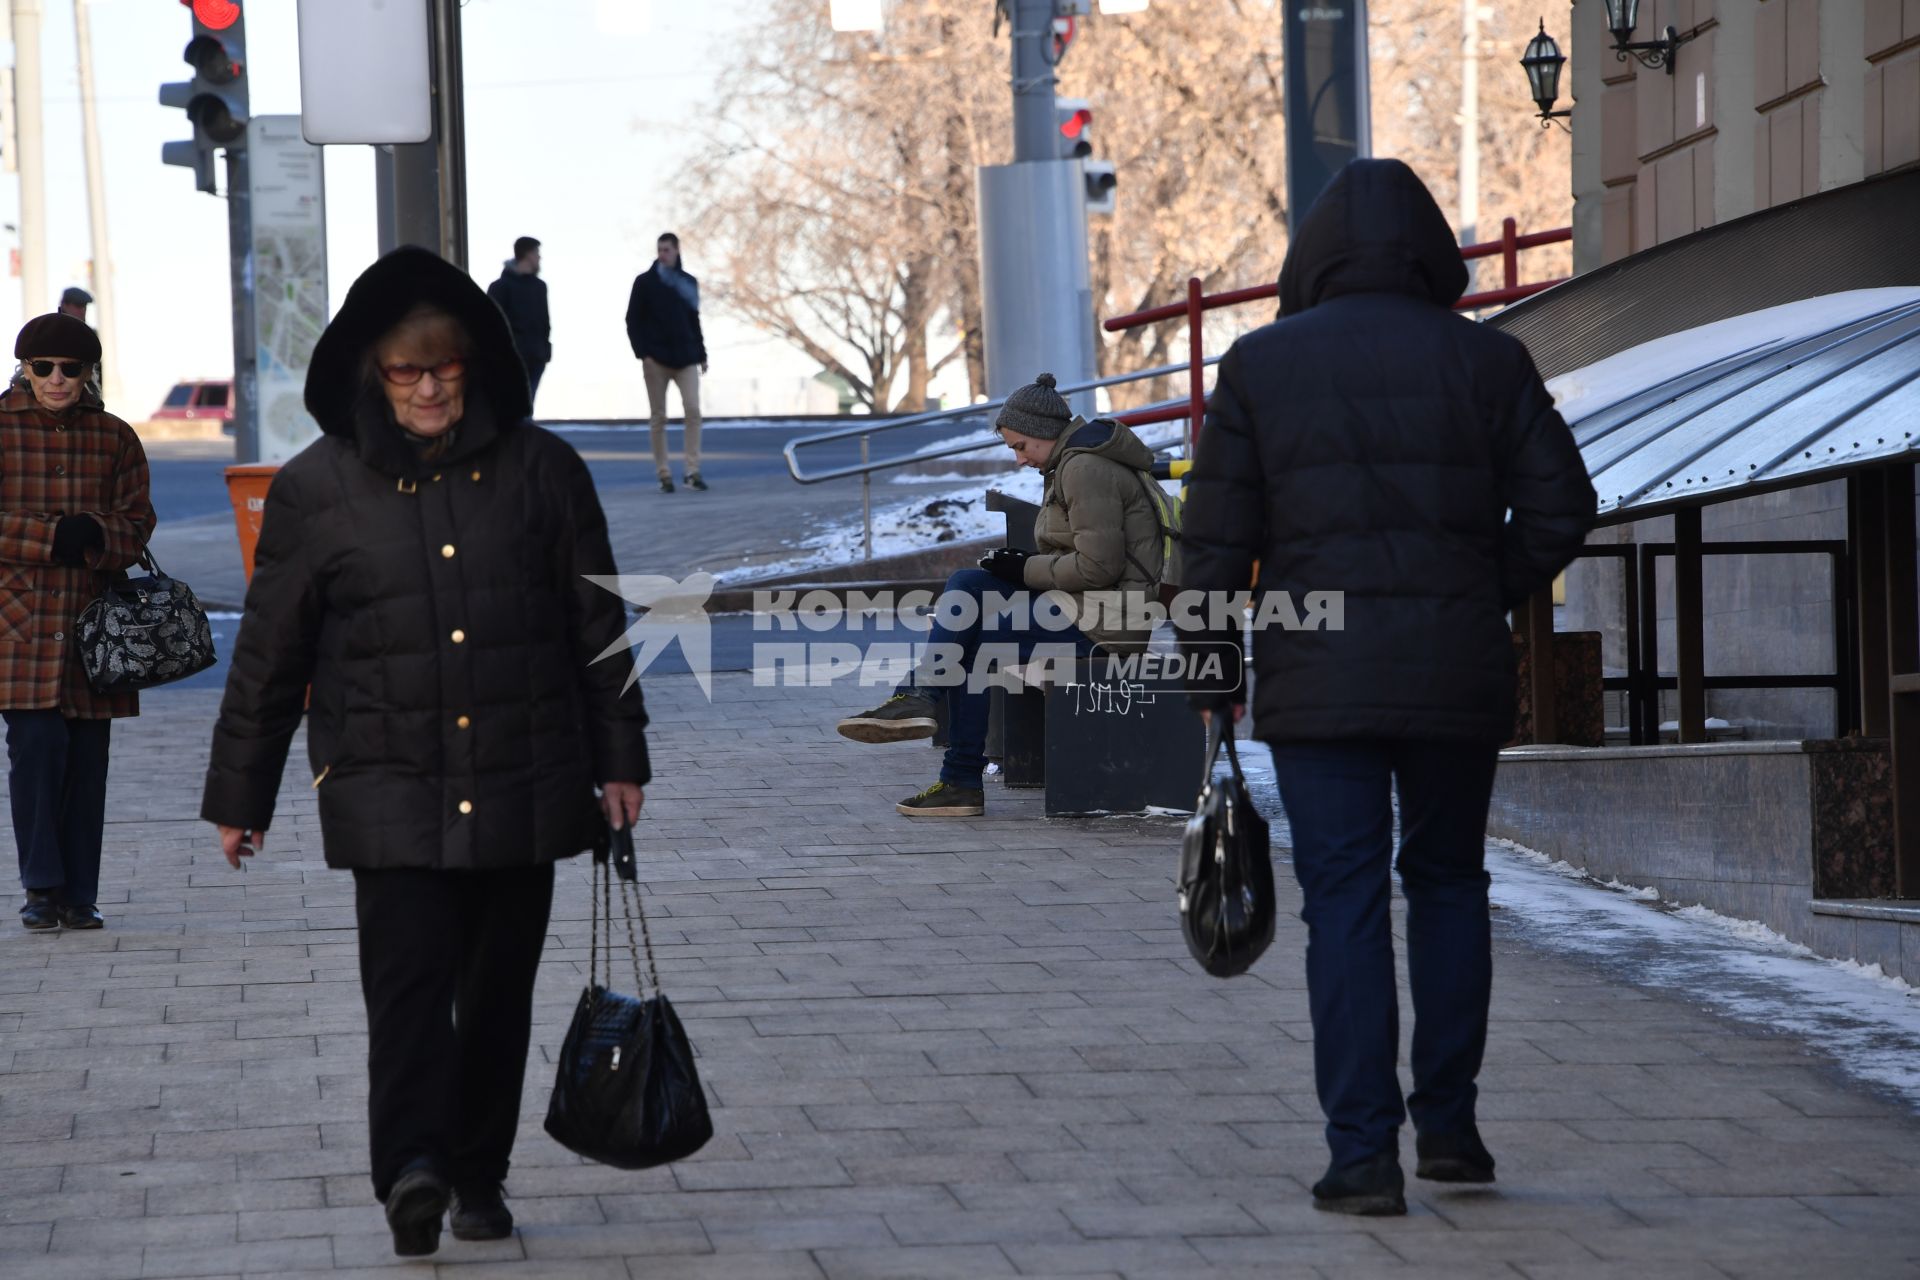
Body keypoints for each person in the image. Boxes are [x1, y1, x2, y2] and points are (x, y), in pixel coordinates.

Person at [201, 247, 651, 1257]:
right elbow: (271, 653)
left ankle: (479, 1174)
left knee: (496, 995)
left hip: (522, 776)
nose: (430, 384)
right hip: (385, 784)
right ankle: (413, 1167)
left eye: (444, 364)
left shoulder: (545, 473)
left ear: (477, 366)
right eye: (407, 370)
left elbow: (602, 631)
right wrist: (243, 794)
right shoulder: (318, 490)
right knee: (406, 992)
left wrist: (621, 761)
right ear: (372, 373)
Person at [1179, 159, 1596, 1216]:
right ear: (1431, 252)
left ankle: (1362, 1154)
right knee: (1450, 881)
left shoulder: (1261, 365)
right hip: (1454, 670)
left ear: (1312, 256)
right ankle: (1449, 1126)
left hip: (1319, 680)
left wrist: (1212, 663)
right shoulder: (1488, 361)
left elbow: (1214, 544)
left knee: (1347, 904)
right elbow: (1563, 507)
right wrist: (1474, 588)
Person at [835, 372, 1173, 817]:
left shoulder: (1086, 468)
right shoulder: (1072, 461)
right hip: (1084, 605)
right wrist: (1018, 565)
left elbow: (1098, 567)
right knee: (968, 584)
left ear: (1044, 433)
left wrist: (1024, 568)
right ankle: (919, 697)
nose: (1018, 459)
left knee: (979, 646)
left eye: (1020, 446)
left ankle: (958, 778)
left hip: (1109, 621)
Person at [1, 314, 155, 931]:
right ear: (24, 368)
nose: (57, 379)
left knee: (89, 762)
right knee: (36, 751)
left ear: (89, 373)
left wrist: (98, 534)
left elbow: (140, 521)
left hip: (96, 628)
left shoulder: (115, 436)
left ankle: (80, 894)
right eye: (44, 368)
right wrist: (49, 536)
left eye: (71, 368)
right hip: (18, 625)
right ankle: (41, 887)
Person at [625, 232, 708, 493]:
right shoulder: (645, 282)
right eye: (659, 249)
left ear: (677, 251)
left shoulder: (687, 282)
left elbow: (694, 319)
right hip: (656, 360)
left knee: (693, 411)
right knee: (658, 417)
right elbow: (632, 320)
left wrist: (702, 353)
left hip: (686, 358)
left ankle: (692, 471)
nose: (663, 254)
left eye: (667, 250)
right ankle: (664, 474)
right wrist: (643, 354)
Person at [485, 237, 551, 403]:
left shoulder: (539, 287)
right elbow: (491, 324)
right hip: (511, 360)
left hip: (536, 357)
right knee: (514, 407)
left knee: (527, 406)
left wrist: (545, 350)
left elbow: (544, 322)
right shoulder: (500, 287)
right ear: (528, 254)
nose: (539, 258)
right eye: (537, 253)